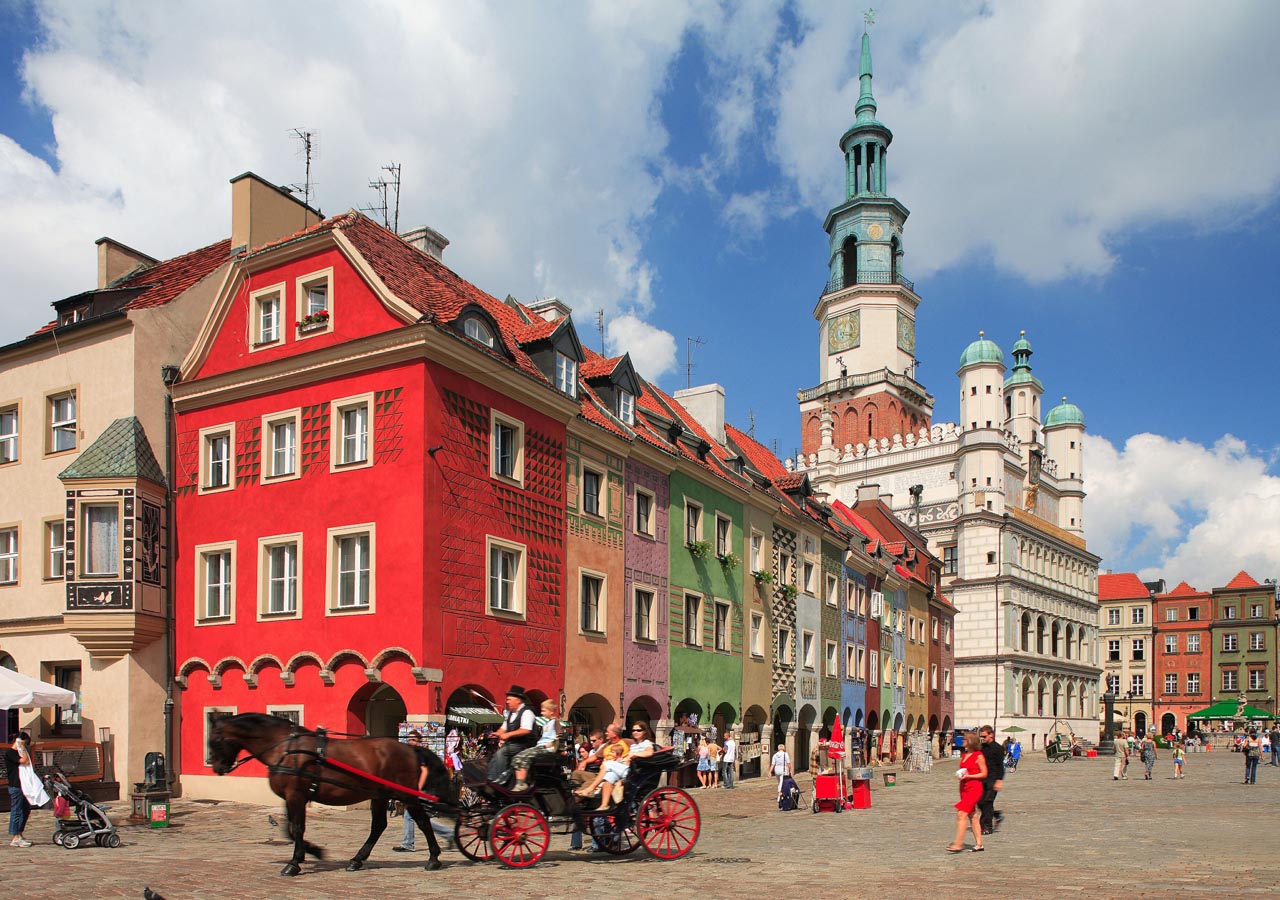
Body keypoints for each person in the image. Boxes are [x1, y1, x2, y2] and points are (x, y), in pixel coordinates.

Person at [393, 731, 454, 853]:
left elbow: (424, 771)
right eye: (409, 739)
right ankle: (449, 835)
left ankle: (409, 844)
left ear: (419, 741)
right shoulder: (413, 753)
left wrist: (418, 790)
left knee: (413, 816)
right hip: (422, 787)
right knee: (417, 816)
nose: (411, 742)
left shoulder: (419, 753)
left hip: (426, 788)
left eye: (413, 739)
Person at [574, 723, 647, 811]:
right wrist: (584, 762)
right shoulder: (607, 745)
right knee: (576, 773)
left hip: (615, 771)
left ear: (614, 734)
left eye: (608, 732)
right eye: (634, 730)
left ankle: (578, 800)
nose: (605, 733)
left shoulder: (628, 742)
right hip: (600, 773)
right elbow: (596, 756)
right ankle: (575, 796)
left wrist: (633, 755)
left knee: (604, 770)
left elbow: (648, 748)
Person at [946, 731, 988, 853]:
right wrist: (962, 774)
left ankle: (959, 843)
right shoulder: (964, 754)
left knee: (961, 814)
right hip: (964, 787)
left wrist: (970, 775)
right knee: (972, 816)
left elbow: (984, 773)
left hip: (974, 788)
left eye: (964, 739)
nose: (963, 741)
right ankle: (979, 844)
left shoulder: (978, 755)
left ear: (970, 741)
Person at [487, 685, 537, 784]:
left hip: (525, 745)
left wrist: (508, 735)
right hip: (512, 745)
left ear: (518, 700)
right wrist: (497, 734)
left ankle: (498, 780)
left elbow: (526, 730)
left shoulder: (527, 712)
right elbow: (503, 728)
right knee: (494, 754)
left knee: (502, 753)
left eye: (509, 699)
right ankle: (491, 778)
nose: (507, 702)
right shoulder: (510, 714)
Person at [511, 699, 561, 792]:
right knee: (517, 757)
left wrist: (552, 744)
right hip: (540, 747)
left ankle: (521, 783)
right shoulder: (546, 723)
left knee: (525, 756)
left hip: (547, 749)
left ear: (551, 712)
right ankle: (520, 782)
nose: (542, 713)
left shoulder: (555, 722)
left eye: (544, 711)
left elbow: (559, 736)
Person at [5, 731, 34, 848]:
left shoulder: (19, 752)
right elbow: (25, 761)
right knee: (16, 811)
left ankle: (20, 834)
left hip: (23, 786)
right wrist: (21, 747)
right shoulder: (11, 753)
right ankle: (15, 837)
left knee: (26, 809)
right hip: (15, 786)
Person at [977, 725, 1005, 835]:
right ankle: (996, 815)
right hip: (982, 778)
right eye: (981, 736)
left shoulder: (998, 748)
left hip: (993, 779)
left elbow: (1000, 766)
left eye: (984, 736)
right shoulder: (981, 747)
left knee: (988, 802)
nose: (983, 738)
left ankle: (987, 827)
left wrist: (999, 780)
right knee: (980, 802)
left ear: (991, 735)